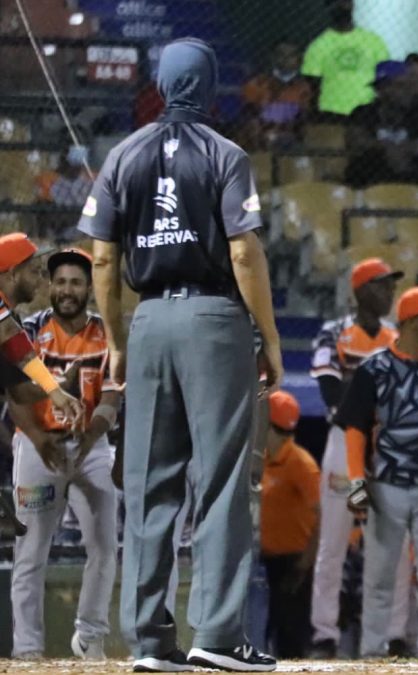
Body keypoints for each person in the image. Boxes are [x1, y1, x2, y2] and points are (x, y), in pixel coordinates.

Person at [77, 37, 282, 672]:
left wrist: (115, 340)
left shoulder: (123, 153)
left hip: (148, 322)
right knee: (219, 482)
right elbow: (243, 251)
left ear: (162, 84)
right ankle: (216, 638)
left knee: (147, 482)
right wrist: (270, 337)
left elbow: (102, 259)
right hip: (213, 320)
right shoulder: (225, 153)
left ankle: (149, 641)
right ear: (210, 85)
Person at [336, 286, 418, 658]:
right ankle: (372, 653)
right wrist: (357, 480)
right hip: (385, 487)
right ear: (411, 321)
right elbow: (356, 428)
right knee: (379, 577)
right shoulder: (374, 368)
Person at [9, 248, 119, 661]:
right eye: (60, 282)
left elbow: (112, 396)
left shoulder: (107, 333)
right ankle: (27, 650)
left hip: (92, 444)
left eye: (75, 282)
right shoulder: (28, 329)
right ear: (50, 287)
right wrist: (39, 439)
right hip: (38, 445)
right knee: (31, 551)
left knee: (105, 545)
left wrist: (90, 439)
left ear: (89, 288)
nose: (66, 290)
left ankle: (89, 634)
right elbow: (13, 392)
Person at [307, 257, 400, 659]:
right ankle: (324, 633)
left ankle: (392, 634)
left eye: (392, 286)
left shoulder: (397, 336)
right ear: (360, 291)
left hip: (389, 447)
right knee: (333, 544)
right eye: (381, 285)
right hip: (345, 442)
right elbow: (330, 390)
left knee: (393, 546)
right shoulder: (333, 334)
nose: (389, 292)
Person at [259, 390, 320, 659]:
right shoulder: (261, 458)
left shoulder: (300, 464)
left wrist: (305, 564)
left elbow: (320, 516)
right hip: (265, 561)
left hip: (293, 564)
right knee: (266, 632)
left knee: (291, 638)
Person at [0, 234, 83, 421]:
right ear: (12, 274)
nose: (41, 280)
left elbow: (20, 391)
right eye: (34, 272)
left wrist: (58, 386)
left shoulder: (9, 318)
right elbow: (11, 335)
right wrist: (55, 390)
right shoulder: (7, 327)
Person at [344, 59, 418, 187]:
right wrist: (387, 147)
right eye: (400, 86)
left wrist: (410, 147)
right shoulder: (364, 112)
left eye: (409, 86)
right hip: (368, 181)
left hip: (413, 181)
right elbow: (356, 142)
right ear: (381, 89)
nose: (408, 91)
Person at [301, 0, 389, 117]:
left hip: (367, 111)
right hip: (331, 112)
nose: (343, 5)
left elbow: (386, 76)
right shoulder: (318, 45)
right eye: (338, 2)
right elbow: (312, 84)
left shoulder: (373, 41)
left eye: (346, 1)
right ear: (329, 7)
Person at [239, 41, 313, 151]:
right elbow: (249, 116)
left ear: (299, 59)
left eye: (291, 55)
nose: (285, 59)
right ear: (273, 58)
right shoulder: (257, 83)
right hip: (262, 137)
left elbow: (303, 119)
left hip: (290, 135)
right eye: (281, 54)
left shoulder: (304, 87)